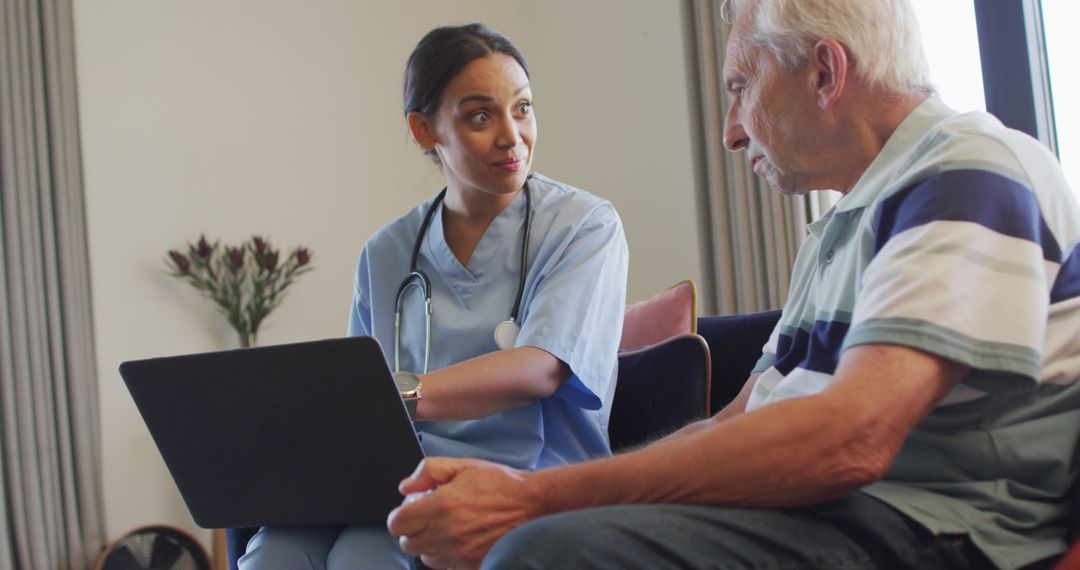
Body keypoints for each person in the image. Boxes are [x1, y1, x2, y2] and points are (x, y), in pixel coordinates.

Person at [386, 1, 1080, 569]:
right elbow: (736, 421)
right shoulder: (839, 228)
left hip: (929, 520)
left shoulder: (966, 168)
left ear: (824, 73)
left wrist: (536, 499)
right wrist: (544, 494)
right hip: (832, 509)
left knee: (541, 554)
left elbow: (851, 438)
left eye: (741, 89)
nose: (730, 133)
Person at [238, 23, 629, 569]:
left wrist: (393, 392)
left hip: (530, 479)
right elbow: (360, 408)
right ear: (425, 131)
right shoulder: (387, 251)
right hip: (403, 482)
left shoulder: (582, 226)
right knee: (271, 554)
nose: (511, 137)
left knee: (362, 559)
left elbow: (542, 368)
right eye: (480, 116)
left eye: (522, 108)